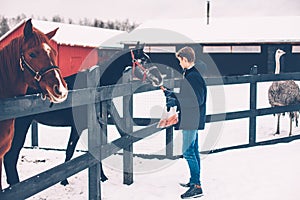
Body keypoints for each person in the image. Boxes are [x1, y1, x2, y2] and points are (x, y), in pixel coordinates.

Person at [164, 46, 207, 199]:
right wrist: (172, 94)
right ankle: (194, 181)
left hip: (191, 120)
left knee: (188, 152)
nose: (179, 63)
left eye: (180, 60)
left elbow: (198, 100)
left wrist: (176, 99)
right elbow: (188, 96)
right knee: (193, 152)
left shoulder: (193, 76)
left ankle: (196, 187)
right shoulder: (190, 74)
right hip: (191, 119)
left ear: (186, 59)